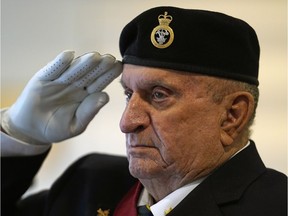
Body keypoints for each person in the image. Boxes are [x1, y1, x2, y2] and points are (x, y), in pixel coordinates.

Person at [1, 6, 287, 216]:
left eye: (159, 95)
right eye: (128, 94)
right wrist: (16, 135)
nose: (127, 122)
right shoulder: (89, 182)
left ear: (232, 115)